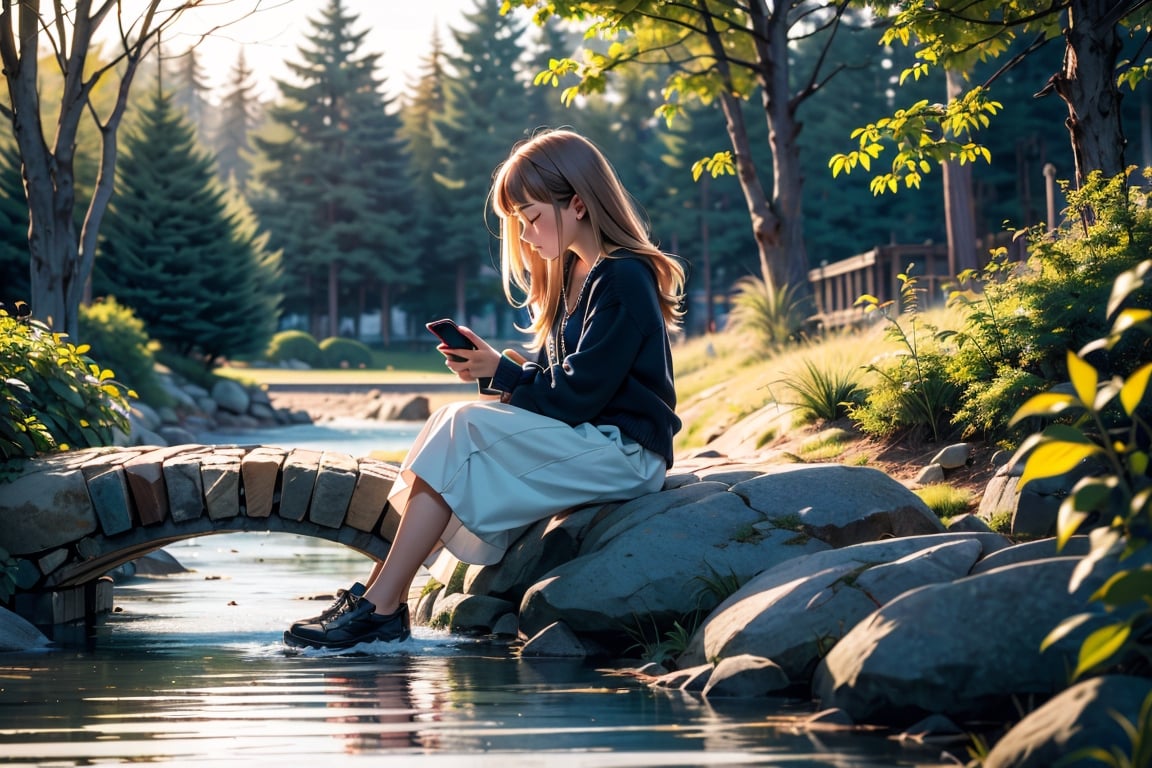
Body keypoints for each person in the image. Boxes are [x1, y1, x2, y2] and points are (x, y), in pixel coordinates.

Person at [283, 128, 686, 650]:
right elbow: (569, 375)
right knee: (450, 425)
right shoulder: (576, 274)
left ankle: (382, 604)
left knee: (460, 425)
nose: (525, 237)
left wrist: (503, 373)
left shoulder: (622, 276)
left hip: (625, 454)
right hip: (591, 439)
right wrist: (500, 369)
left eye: (533, 218)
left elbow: (578, 395)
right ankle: (382, 597)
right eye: (519, 223)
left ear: (580, 205)